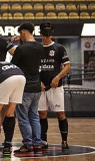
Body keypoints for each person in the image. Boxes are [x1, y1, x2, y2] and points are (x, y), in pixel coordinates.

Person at [11, 22, 44, 155]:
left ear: (23, 32)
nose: (20, 36)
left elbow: (13, 66)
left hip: (24, 88)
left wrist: (15, 45)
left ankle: (27, 144)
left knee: (23, 117)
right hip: (37, 87)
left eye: (20, 33)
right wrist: (20, 41)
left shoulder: (21, 49)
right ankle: (37, 143)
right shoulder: (40, 47)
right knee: (34, 116)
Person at [38, 22, 71, 151]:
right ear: (40, 33)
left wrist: (58, 77)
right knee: (42, 114)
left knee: (61, 114)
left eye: (49, 35)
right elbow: (32, 67)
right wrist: (37, 81)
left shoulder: (59, 48)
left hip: (56, 88)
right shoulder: (37, 48)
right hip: (40, 88)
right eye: (45, 34)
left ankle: (64, 141)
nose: (47, 37)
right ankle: (43, 141)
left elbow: (68, 66)